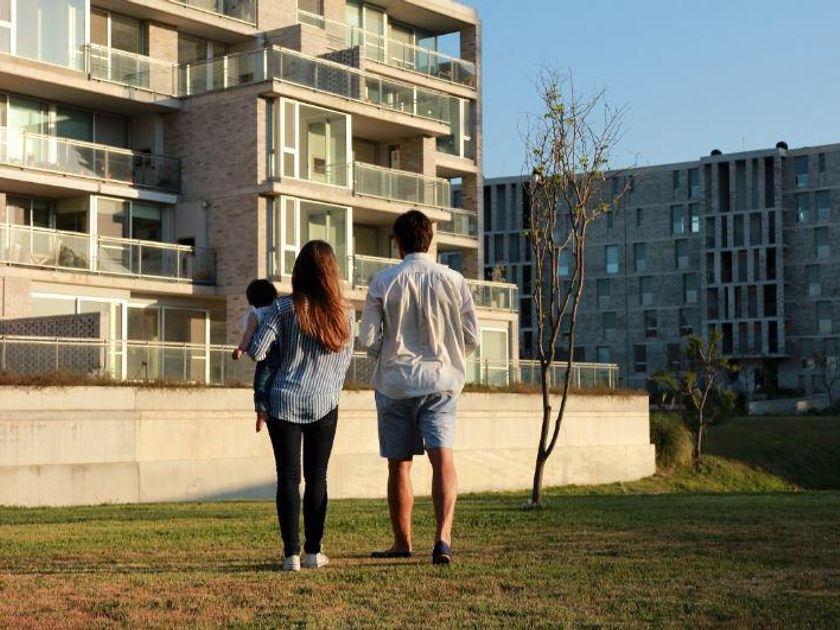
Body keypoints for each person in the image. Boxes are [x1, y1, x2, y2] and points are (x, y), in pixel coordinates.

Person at [359, 210, 478, 565]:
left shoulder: (382, 281)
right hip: (441, 380)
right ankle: (443, 539)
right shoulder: (454, 280)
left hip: (395, 382)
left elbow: (368, 339)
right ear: (430, 240)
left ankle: (402, 542)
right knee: (443, 459)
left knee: (399, 466)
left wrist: (389, 356)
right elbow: (471, 337)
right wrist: (449, 356)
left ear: (398, 243)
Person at [247, 240, 354, 572]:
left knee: (288, 477)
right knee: (318, 476)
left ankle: (290, 555)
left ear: (299, 272)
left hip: (284, 401)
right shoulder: (346, 312)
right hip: (325, 401)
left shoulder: (282, 309)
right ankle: (313, 552)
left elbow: (257, 351)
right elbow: (345, 360)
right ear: (331, 272)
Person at [232, 279, 279, 429]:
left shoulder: (255, 314)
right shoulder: (277, 310)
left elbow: (248, 334)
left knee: (261, 383)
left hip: (266, 354)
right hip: (281, 351)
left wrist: (241, 349)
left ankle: (262, 413)